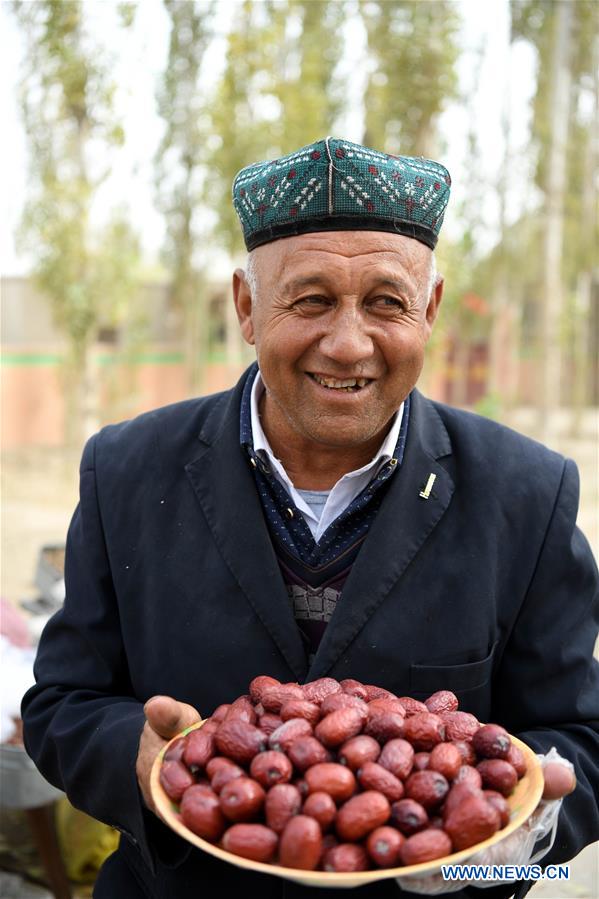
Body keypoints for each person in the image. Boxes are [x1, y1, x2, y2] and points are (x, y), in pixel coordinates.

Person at [21, 138, 599, 899]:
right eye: (311, 299)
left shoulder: (526, 490)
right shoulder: (126, 469)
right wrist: (140, 759)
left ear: (428, 310)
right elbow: (63, 700)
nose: (348, 342)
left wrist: (510, 842)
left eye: (386, 302)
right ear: (246, 307)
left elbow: (577, 738)